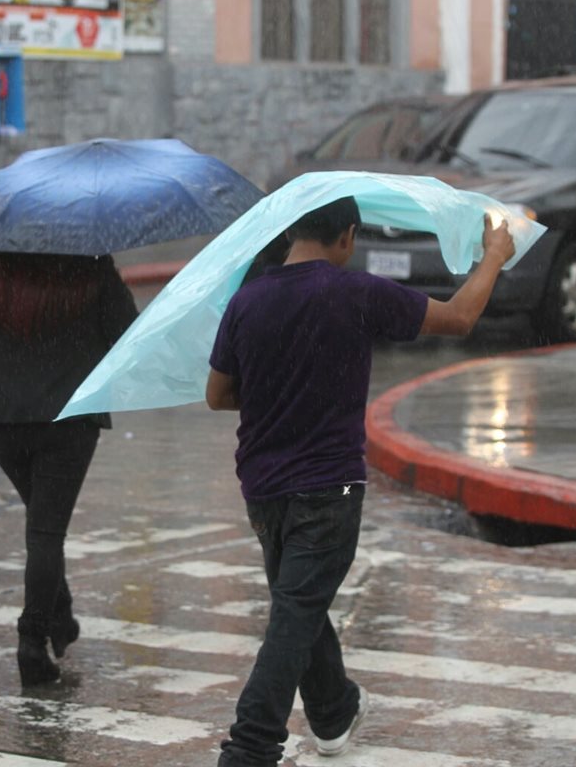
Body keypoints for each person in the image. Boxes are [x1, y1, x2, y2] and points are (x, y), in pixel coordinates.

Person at [205, 197, 515, 766]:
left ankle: (333, 712)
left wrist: (281, 387)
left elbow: (218, 395)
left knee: (298, 603)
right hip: (331, 489)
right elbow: (460, 318)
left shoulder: (246, 301)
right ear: (347, 236)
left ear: (295, 230)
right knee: (294, 612)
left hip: (264, 491)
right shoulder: (357, 293)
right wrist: (493, 256)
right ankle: (248, 749)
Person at [0, 251, 138, 686]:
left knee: (43, 525)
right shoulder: (91, 267)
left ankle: (61, 614)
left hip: (4, 415)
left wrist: (6, 350)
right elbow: (126, 333)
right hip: (68, 416)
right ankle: (31, 641)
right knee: (46, 533)